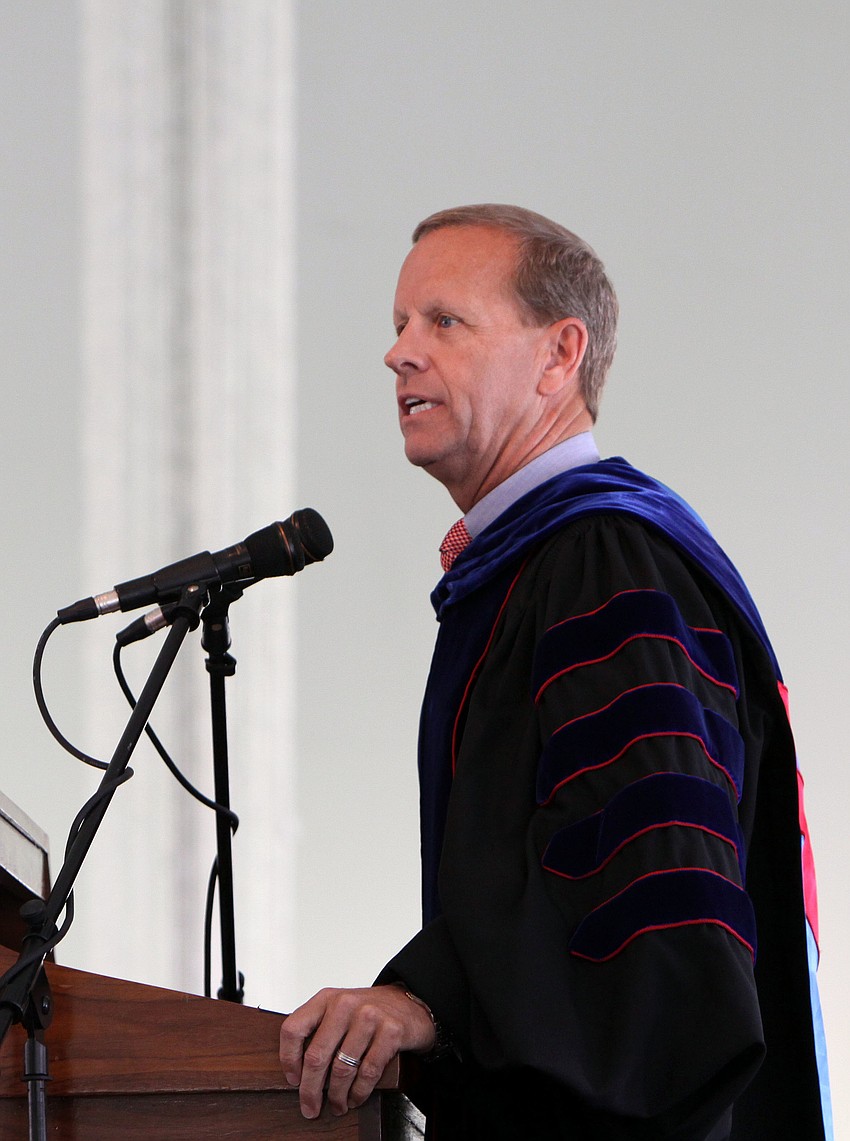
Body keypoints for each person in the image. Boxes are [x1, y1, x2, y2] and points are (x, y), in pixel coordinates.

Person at [279, 205, 832, 1139]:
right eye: (398, 325)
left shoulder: (603, 555)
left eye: (443, 321)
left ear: (557, 353)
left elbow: (639, 865)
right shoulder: (543, 562)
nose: (399, 353)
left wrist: (433, 996)